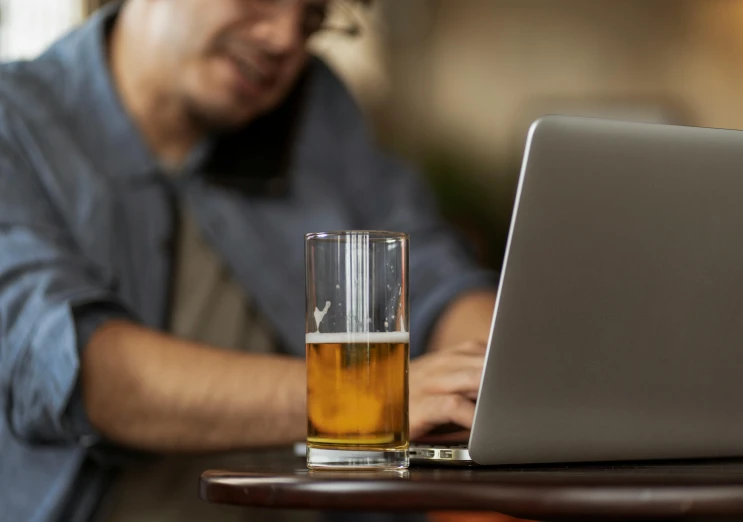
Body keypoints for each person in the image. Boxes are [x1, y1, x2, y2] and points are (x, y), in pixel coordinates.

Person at [0, 0, 498, 520]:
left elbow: (437, 279)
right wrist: (365, 398)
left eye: (312, 18)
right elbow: (76, 369)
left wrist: (499, 371)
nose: (285, 40)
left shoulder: (314, 105)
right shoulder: (14, 122)